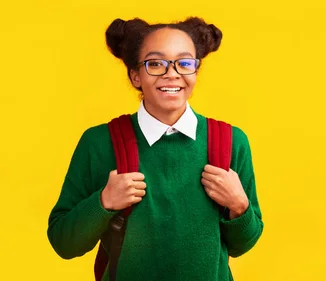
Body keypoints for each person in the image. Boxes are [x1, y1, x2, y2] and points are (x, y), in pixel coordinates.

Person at [46, 16, 264, 281]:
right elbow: (63, 242)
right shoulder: (99, 143)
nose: (172, 73)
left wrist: (239, 206)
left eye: (184, 63)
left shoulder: (231, 142)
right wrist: (103, 202)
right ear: (135, 76)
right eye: (156, 64)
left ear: (195, 71)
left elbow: (243, 244)